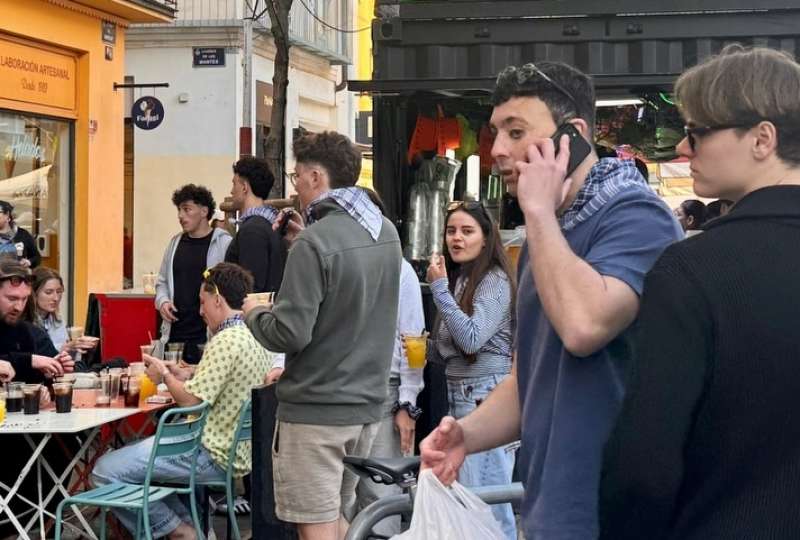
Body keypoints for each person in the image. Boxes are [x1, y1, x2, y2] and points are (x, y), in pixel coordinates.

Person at [420, 61, 682, 540]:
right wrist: (467, 435)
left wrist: (538, 211)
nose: (498, 150)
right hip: (549, 506)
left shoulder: (637, 216)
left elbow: (584, 327)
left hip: (613, 511)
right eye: (496, 132)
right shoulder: (549, 233)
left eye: (516, 131)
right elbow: (529, 381)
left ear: (573, 136)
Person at [599, 45, 800, 540]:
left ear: (762, 138)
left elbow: (645, 464)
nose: (683, 150)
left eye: (697, 132)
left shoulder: (695, 269)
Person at [243, 131, 402, 540]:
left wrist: (254, 311)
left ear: (316, 177)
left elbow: (289, 333)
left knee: (316, 527)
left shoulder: (315, 244)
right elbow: (350, 296)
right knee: (337, 522)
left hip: (317, 411)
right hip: (366, 405)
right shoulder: (385, 231)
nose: (294, 188)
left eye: (296, 178)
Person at [92, 262, 272, 540]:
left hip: (210, 453)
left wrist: (164, 374)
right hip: (238, 451)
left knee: (104, 470)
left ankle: (179, 531)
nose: (200, 311)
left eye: (202, 303)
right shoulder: (254, 334)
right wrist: (188, 371)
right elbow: (225, 379)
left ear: (217, 300)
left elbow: (190, 401)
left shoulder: (225, 340)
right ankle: (197, 533)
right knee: (134, 458)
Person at [426, 200, 517, 539]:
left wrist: (438, 290)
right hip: (465, 395)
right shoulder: (463, 279)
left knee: (489, 505)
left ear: (486, 237)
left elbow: (472, 339)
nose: (457, 239)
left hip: (485, 396)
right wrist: (421, 347)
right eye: (451, 231)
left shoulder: (493, 280)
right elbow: (453, 350)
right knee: (471, 502)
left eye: (467, 231)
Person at [354, 189, 425, 537]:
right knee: (341, 498)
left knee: (381, 495)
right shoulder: (337, 263)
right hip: (340, 393)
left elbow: (414, 339)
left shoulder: (400, 269)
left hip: (385, 391)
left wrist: (408, 403)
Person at [156, 184, 231, 364]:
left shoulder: (224, 244)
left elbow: (231, 289)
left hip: (208, 338)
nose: (181, 216)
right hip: (174, 337)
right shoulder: (174, 243)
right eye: (179, 210)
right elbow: (162, 282)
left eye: (187, 209)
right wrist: (163, 301)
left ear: (204, 211)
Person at [0, 259, 69, 381]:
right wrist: (30, 360)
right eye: (12, 299)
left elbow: (29, 380)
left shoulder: (25, 330)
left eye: (24, 299)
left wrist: (51, 369)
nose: (19, 307)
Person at [225, 156, 286, 294]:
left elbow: (251, 287)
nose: (231, 191)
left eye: (234, 184)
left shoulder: (253, 230)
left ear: (245, 187)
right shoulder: (269, 224)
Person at [0, 200, 40, 268]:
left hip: (17, 276)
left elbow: (36, 257)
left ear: (7, 214)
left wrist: (29, 262)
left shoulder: (23, 234)